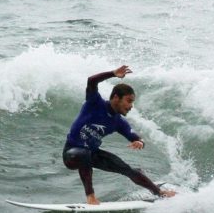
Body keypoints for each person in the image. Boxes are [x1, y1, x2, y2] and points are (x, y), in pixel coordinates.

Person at [63, 65, 176, 205]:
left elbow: (133, 135)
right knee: (84, 153)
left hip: (92, 154)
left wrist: (140, 142)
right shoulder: (94, 103)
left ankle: (158, 192)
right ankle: (90, 197)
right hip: (71, 153)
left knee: (127, 169)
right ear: (116, 97)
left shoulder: (118, 122)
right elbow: (91, 80)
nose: (131, 106)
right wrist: (113, 73)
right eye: (129, 101)